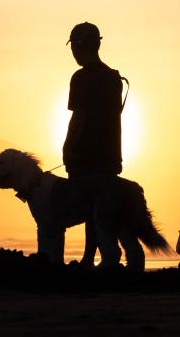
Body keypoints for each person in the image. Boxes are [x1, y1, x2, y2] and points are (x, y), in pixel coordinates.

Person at [62, 22, 125, 268]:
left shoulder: (81, 78)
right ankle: (96, 257)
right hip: (110, 154)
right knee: (102, 208)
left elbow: (79, 118)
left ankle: (91, 258)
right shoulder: (113, 77)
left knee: (88, 207)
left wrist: (68, 148)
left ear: (79, 47)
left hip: (85, 155)